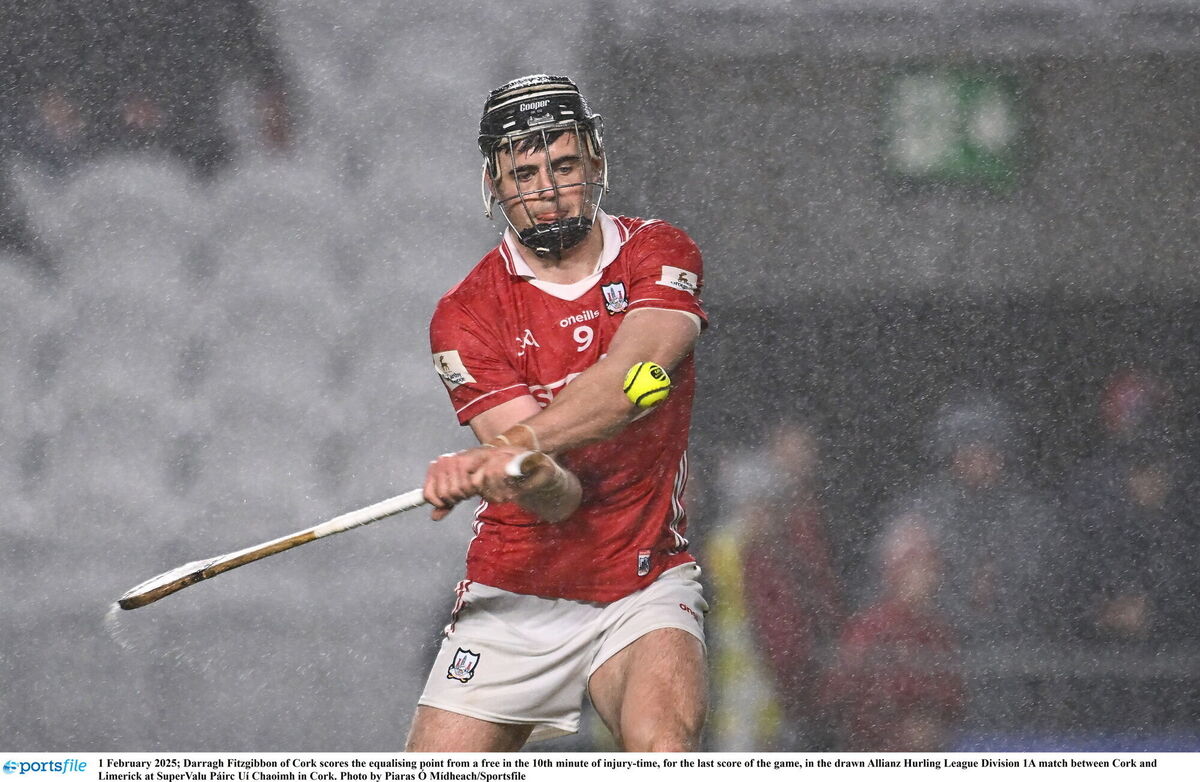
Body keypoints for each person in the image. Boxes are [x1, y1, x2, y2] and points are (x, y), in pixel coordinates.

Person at [407, 75, 709, 752]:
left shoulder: (658, 253)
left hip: (643, 577)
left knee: (663, 750)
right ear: (494, 183)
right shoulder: (465, 317)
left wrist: (507, 444)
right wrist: (520, 467)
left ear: (596, 163)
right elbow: (557, 499)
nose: (544, 188)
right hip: (518, 585)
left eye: (562, 165)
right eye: (523, 173)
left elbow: (639, 380)